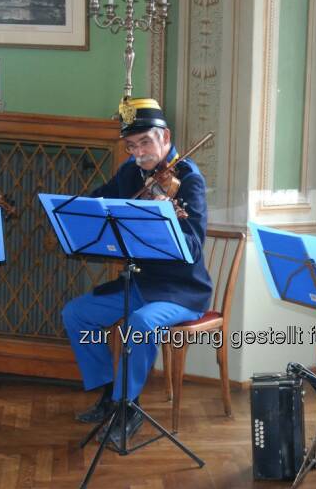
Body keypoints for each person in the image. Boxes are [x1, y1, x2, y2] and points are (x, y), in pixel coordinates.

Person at [62, 97, 212, 448]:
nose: (138, 152)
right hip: (141, 282)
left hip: (182, 290)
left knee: (140, 324)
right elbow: (98, 204)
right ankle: (109, 394)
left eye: (145, 142)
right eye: (131, 145)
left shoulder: (188, 179)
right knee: (77, 314)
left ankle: (128, 408)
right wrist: (79, 209)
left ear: (165, 136)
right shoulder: (130, 172)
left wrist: (169, 221)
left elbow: (193, 248)